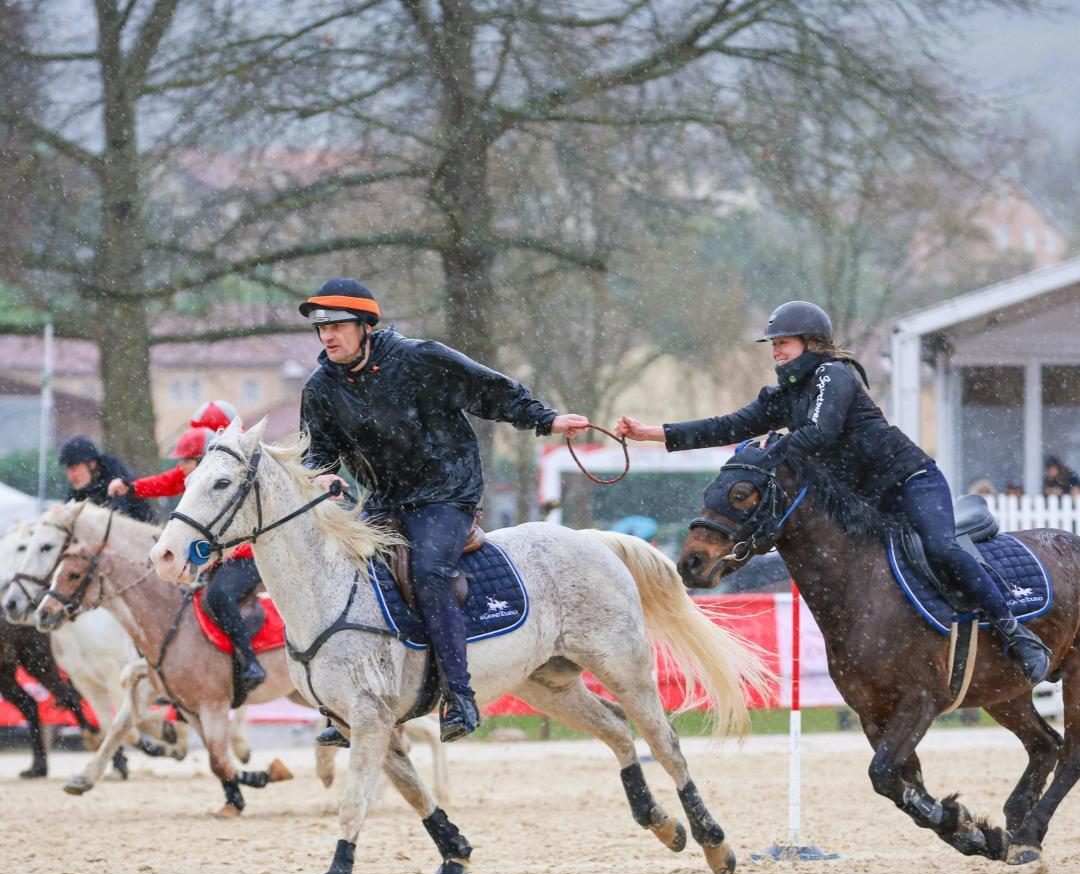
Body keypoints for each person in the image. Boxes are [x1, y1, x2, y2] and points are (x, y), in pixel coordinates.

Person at [614, 300, 1052, 685]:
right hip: (867, 501)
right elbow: (725, 426)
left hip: (911, 481)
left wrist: (773, 448)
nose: (776, 351)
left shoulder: (833, 375)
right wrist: (653, 433)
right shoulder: (784, 395)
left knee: (940, 546)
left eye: (784, 342)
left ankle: (1017, 633)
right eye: (773, 344)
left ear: (811, 342)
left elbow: (820, 432)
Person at [298, 277, 590, 741]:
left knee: (430, 572)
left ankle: (459, 696)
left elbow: (490, 390)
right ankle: (346, 703)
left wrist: (545, 419)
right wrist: (321, 473)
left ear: (365, 326)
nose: (327, 336)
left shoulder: (420, 358)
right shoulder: (320, 387)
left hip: (446, 491)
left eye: (337, 325)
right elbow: (316, 449)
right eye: (320, 329)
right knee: (339, 570)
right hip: (383, 500)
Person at [107, 408, 267, 698]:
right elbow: (168, 481)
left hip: (242, 557)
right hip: (220, 557)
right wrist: (132, 489)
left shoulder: (233, 472)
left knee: (218, 596)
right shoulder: (203, 473)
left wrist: (131, 488)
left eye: (186, 458)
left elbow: (168, 482)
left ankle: (250, 663)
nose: (180, 467)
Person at [58, 436, 154, 523]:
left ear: (92, 464)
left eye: (74, 469)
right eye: (67, 470)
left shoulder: (118, 481)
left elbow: (115, 521)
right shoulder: (81, 484)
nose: (70, 476)